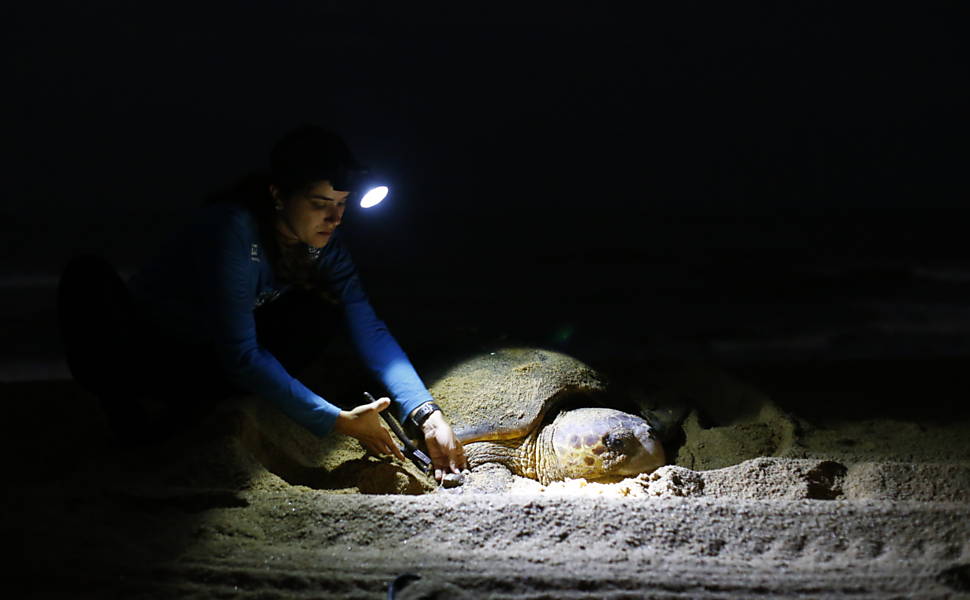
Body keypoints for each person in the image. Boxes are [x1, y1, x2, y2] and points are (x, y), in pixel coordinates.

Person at [57, 125, 467, 483]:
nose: (335, 218)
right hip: (153, 349)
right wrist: (339, 421)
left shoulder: (325, 246)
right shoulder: (232, 230)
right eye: (320, 204)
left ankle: (207, 407)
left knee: (322, 310)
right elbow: (242, 355)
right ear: (278, 195)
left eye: (341, 203)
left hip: (212, 362)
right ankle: (132, 410)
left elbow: (369, 326)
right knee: (86, 273)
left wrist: (425, 412)